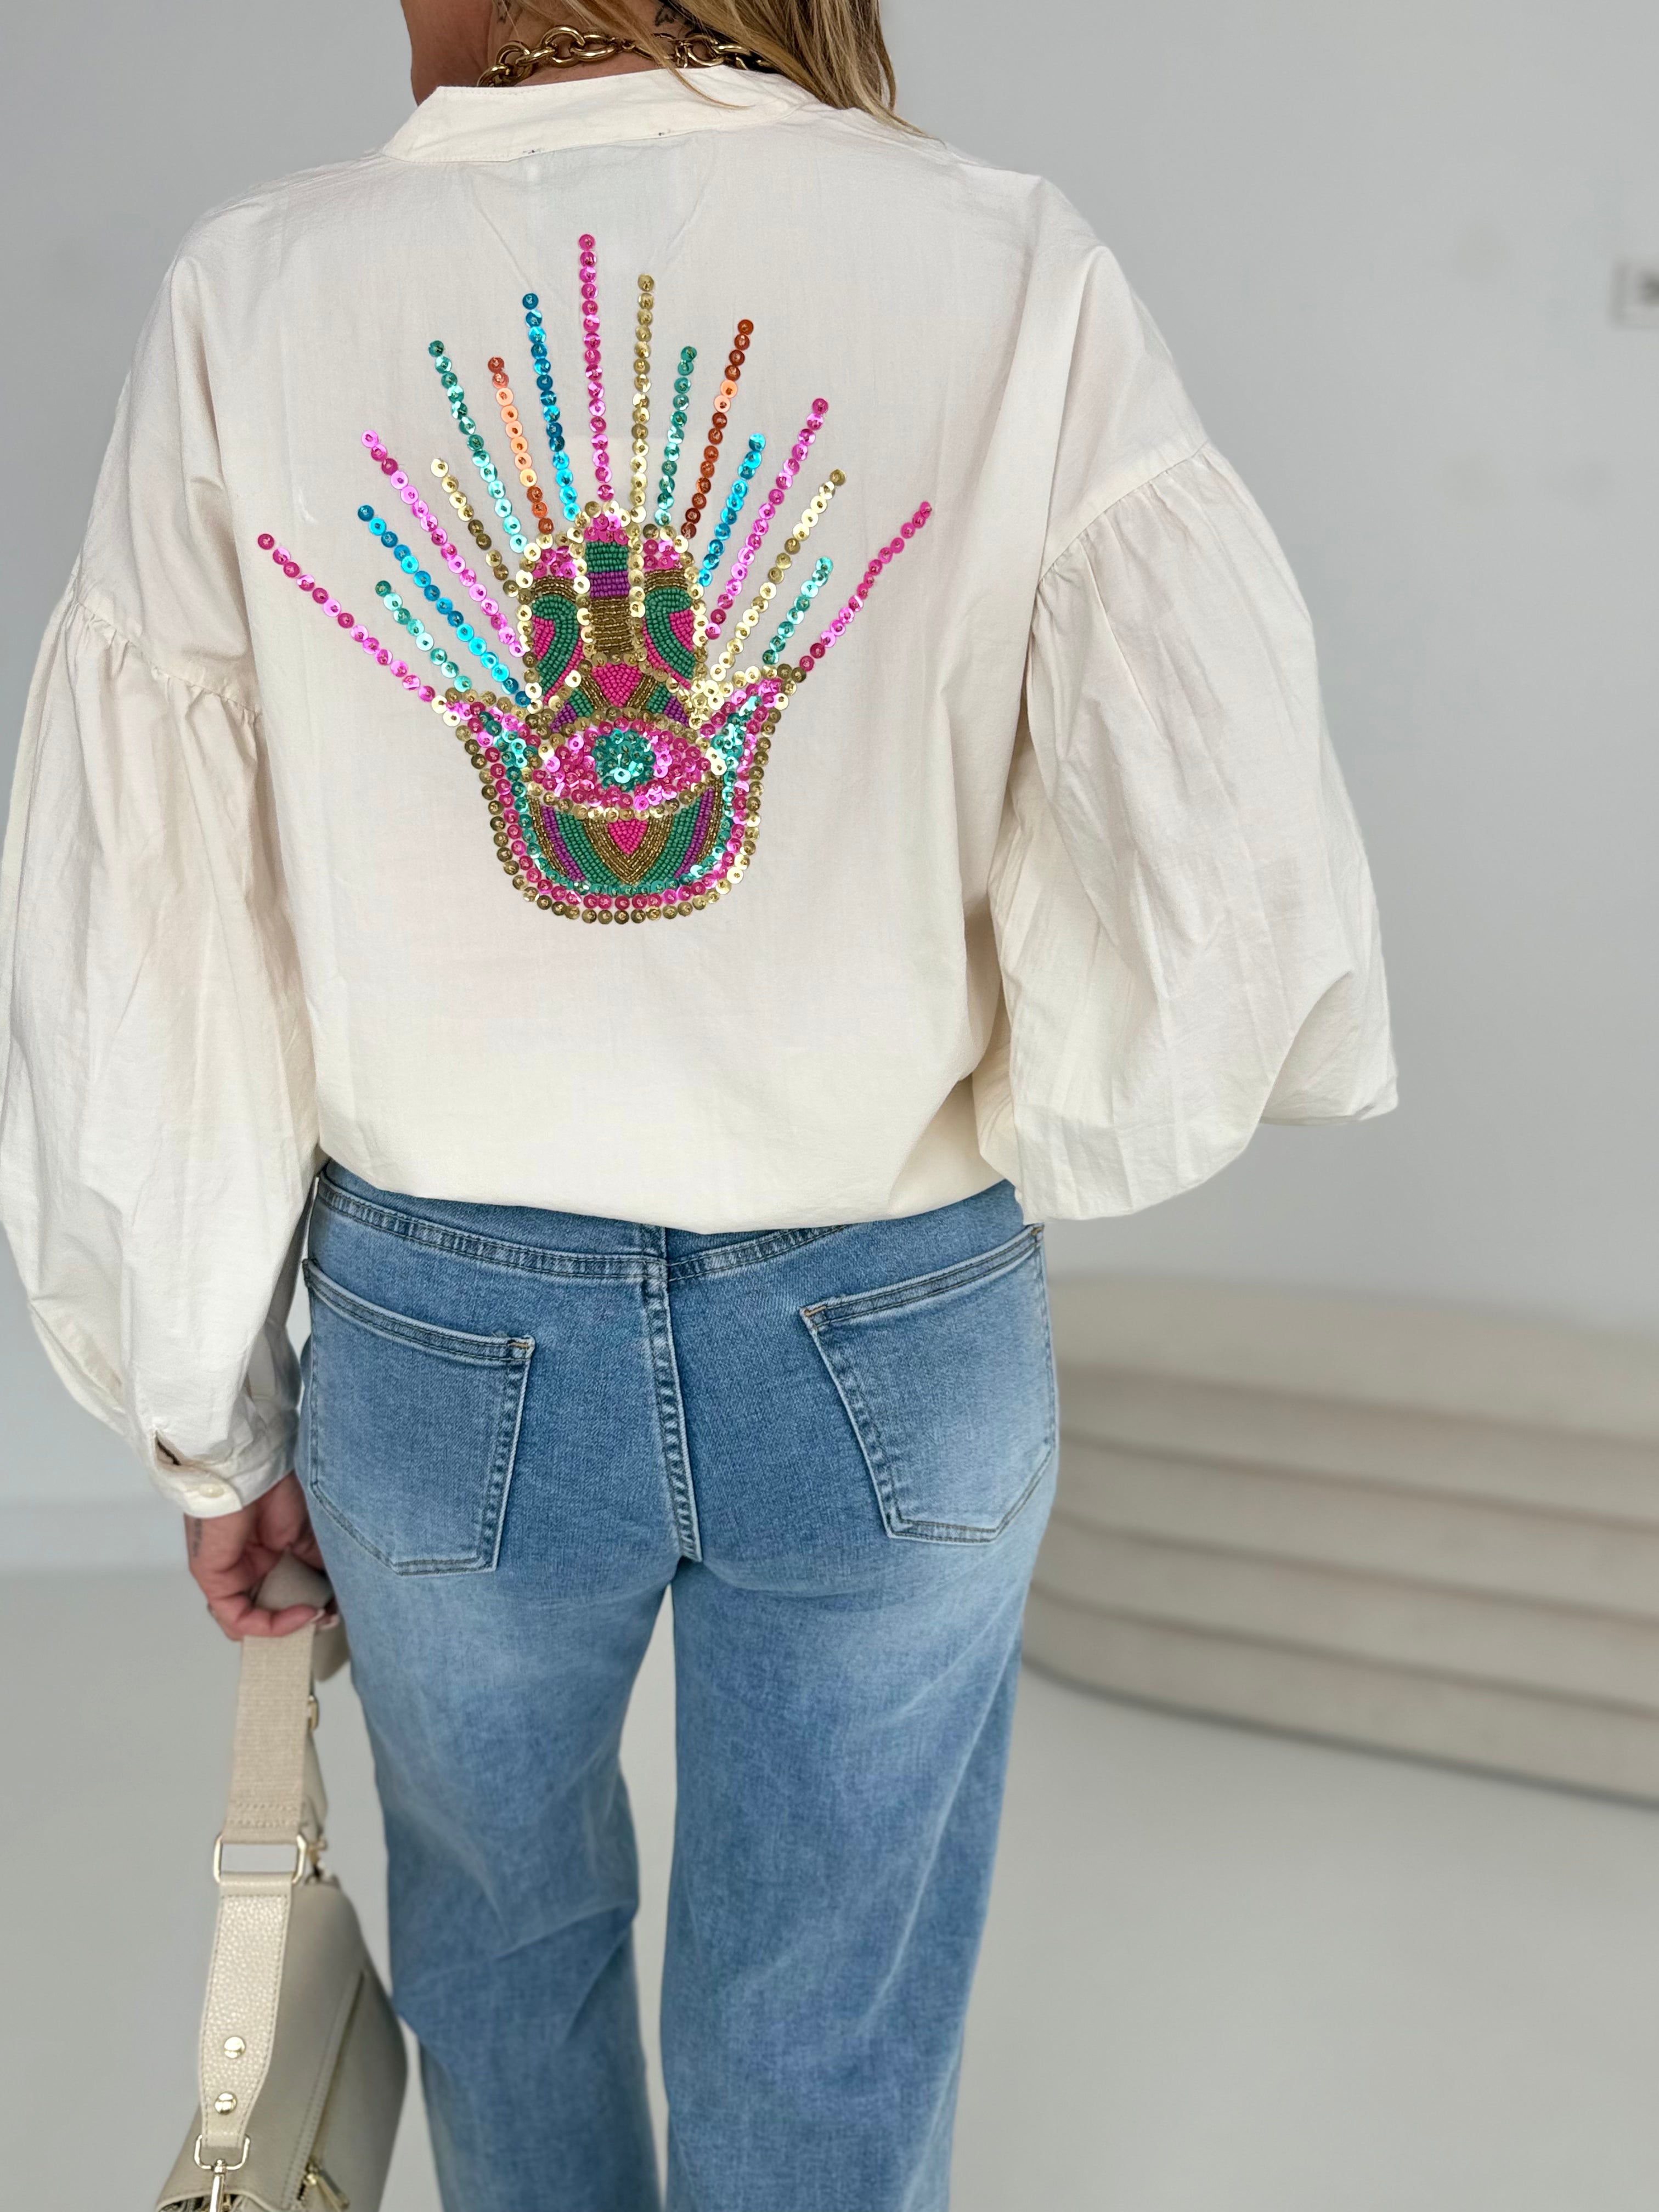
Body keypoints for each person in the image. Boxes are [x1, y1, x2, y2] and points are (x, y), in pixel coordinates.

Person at [0, 2, 1396, 2205]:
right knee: (824, 2030)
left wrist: (211, 1414)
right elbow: (1228, 873)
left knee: (498, 1957)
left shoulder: (255, 294)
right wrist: (1020, 1099)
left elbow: (155, 943)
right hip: (894, 1318)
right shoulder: (1002, 261)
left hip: (447, 1344)